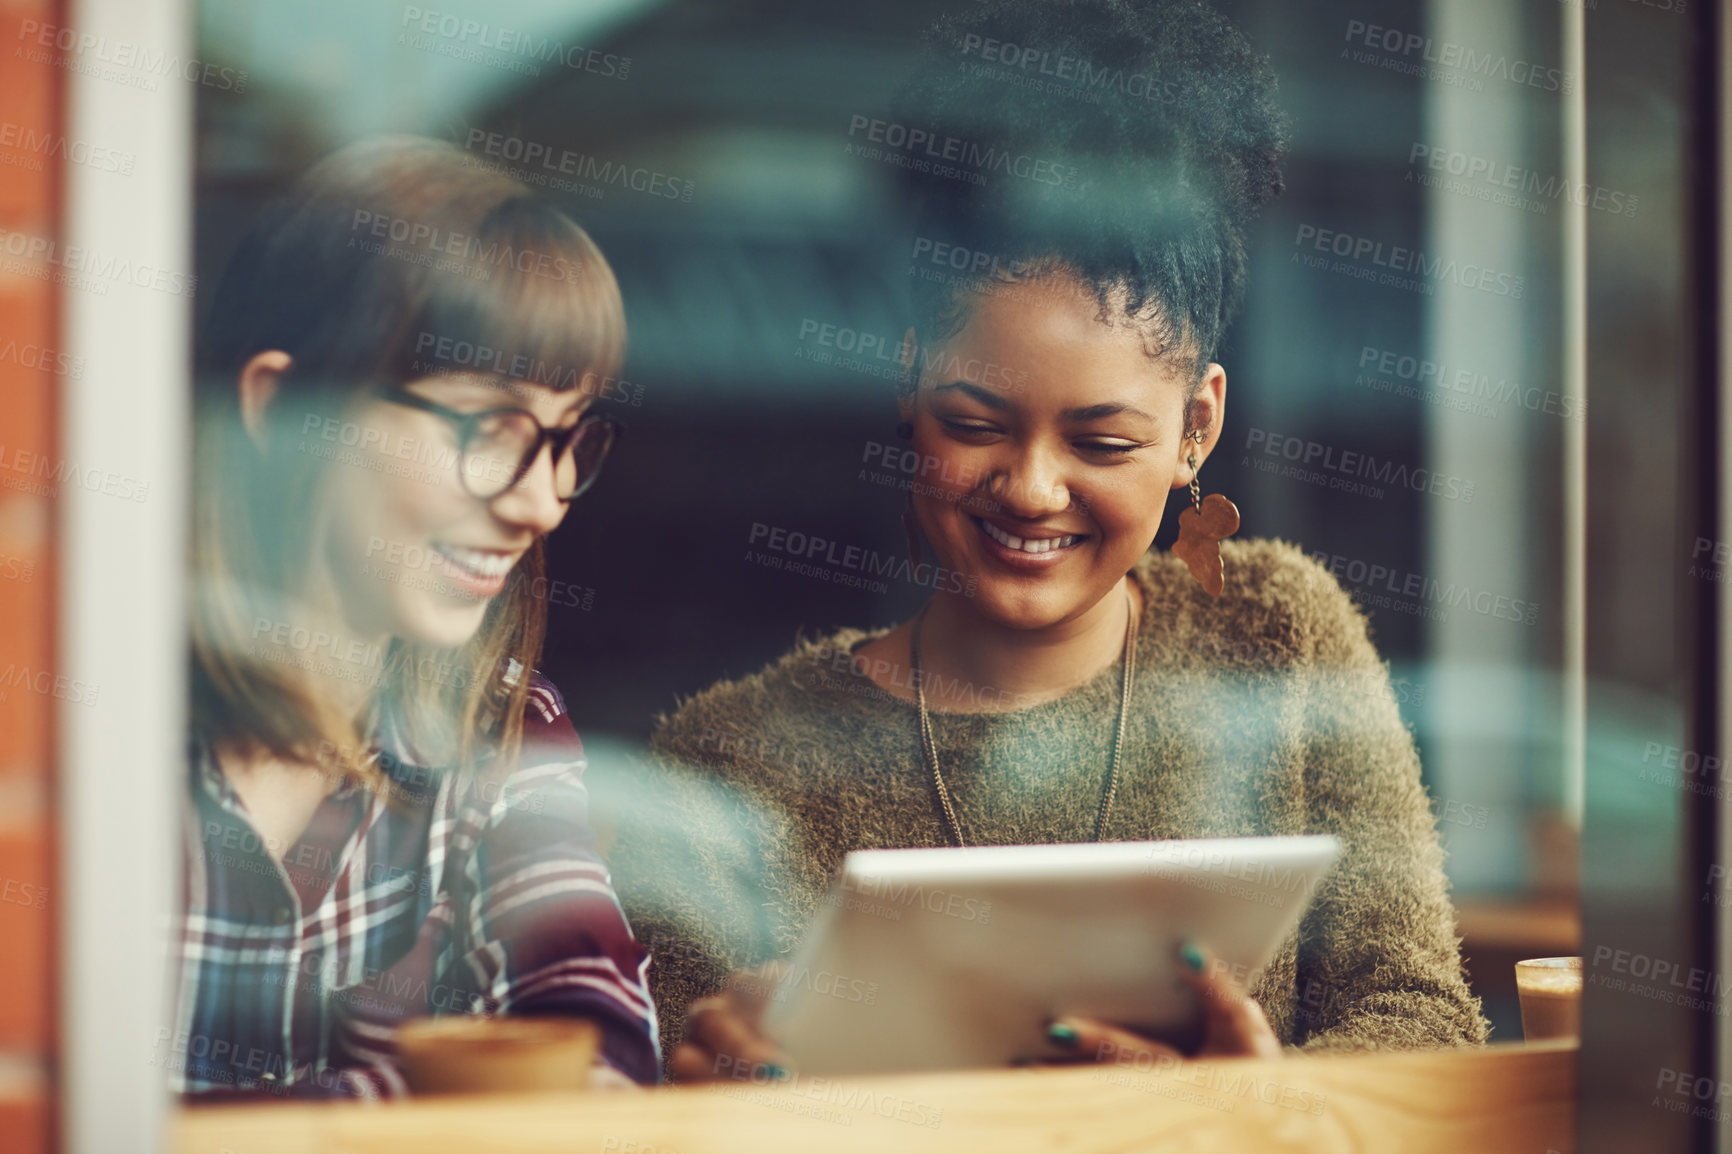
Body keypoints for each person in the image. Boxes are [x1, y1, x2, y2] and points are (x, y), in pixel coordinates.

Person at [608, 0, 1487, 1081]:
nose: (1029, 488)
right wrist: (714, 1089)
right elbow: (664, 1098)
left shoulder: (1277, 635)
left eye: (1102, 440)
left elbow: (1421, 1019)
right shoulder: (738, 760)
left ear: (1195, 428)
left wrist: (1251, 1103)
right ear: (903, 381)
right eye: (974, 424)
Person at [172, 136, 657, 1097]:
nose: (543, 502)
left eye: (568, 438)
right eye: (491, 428)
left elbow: (596, 1060)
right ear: (279, 404)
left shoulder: (502, 727)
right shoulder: (67, 736)